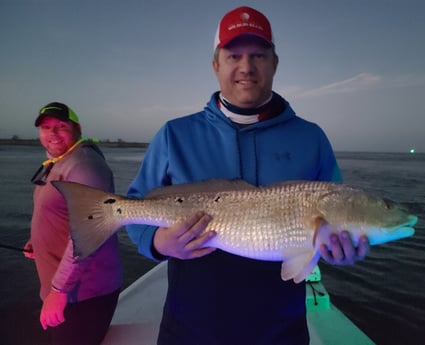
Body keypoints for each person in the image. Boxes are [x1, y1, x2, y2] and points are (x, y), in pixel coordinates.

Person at [126, 6, 370, 345]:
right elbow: (132, 207)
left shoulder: (311, 138)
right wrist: (155, 242)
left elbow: (334, 220)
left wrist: (342, 250)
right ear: (216, 65)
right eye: (233, 55)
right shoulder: (174, 135)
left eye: (258, 55)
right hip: (191, 326)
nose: (246, 67)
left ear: (275, 63)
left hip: (280, 328)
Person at [24, 102, 122, 345]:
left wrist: (58, 291)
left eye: (60, 126)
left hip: (82, 294)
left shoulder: (84, 164)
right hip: (67, 290)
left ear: (77, 128)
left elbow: (90, 231)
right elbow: (59, 213)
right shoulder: (60, 162)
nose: (52, 134)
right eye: (46, 128)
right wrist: (36, 241)